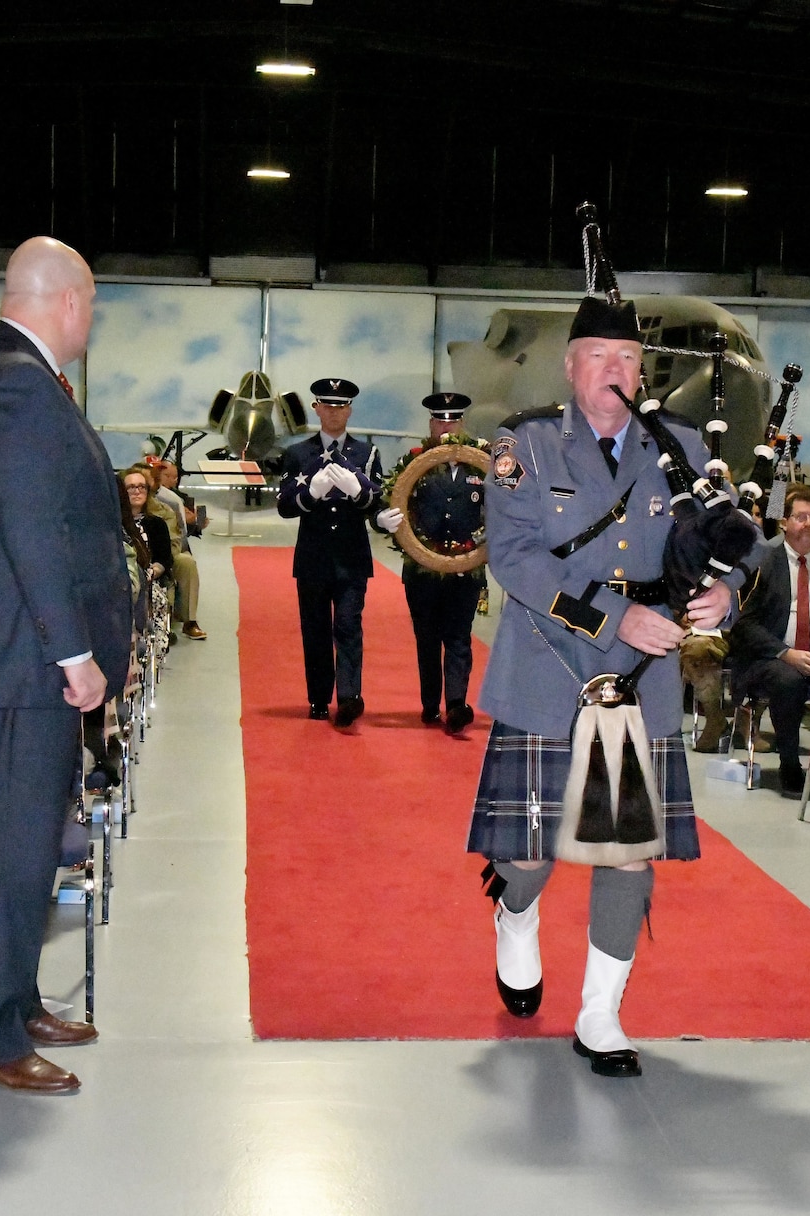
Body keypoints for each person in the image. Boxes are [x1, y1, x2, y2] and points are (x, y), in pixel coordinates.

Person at [468, 279, 741, 1080]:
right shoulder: (525, 446)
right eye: (599, 357)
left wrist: (728, 589)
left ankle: (601, 1013)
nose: (615, 371)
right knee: (530, 853)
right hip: (550, 670)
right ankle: (513, 918)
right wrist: (611, 617)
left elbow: (737, 532)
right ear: (571, 366)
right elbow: (514, 557)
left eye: (628, 356)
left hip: (642, 681)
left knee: (626, 854)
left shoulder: (683, 446)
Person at [0, 236, 131, 1096]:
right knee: (15, 848)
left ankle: (12, 1001)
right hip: (27, 658)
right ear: (68, 299)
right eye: (91, 303)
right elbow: (31, 533)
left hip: (23, 654)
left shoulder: (9, 372)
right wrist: (75, 653)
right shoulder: (17, 380)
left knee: (28, 841)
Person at [723, 487, 810, 794]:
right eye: (800, 517)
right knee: (789, 679)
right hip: (768, 660)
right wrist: (785, 653)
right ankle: (790, 761)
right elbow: (744, 625)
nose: (807, 524)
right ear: (784, 523)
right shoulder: (761, 564)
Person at [375, 391, 486, 732]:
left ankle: (456, 705)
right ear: (431, 423)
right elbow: (389, 501)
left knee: (459, 636)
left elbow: (508, 506)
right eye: (440, 420)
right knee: (427, 638)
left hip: (466, 567)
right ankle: (429, 705)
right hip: (421, 568)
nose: (446, 426)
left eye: (452, 420)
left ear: (462, 423)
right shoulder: (413, 462)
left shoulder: (482, 461)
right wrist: (381, 520)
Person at [276, 377, 384, 726]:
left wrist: (361, 495)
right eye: (327, 405)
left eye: (341, 406)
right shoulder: (298, 454)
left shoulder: (367, 454)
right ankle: (319, 698)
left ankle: (350, 696)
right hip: (314, 557)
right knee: (316, 630)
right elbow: (286, 507)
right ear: (316, 408)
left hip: (352, 557)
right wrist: (311, 493)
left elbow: (375, 501)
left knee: (349, 625)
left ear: (349, 410)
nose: (334, 412)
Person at [149, 457, 205, 640]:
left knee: (185, 562)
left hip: (170, 550)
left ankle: (189, 621)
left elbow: (179, 536)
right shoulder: (125, 498)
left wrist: (196, 523)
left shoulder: (173, 502)